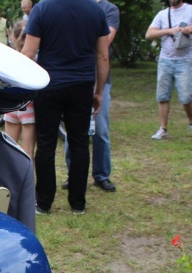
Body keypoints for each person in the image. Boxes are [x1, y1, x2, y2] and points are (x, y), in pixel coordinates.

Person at [22, 0, 110, 215]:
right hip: (82, 85)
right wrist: (99, 91)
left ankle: (44, 203)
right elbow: (102, 56)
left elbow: (29, 53)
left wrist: (22, 87)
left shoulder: (42, 8)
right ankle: (78, 204)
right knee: (80, 143)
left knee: (46, 144)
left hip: (49, 85)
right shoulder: (96, 10)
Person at [63, 0, 120, 193]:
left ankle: (101, 175)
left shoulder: (109, 9)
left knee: (100, 129)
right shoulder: (75, 5)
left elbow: (106, 40)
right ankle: (73, 174)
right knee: (73, 127)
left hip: (99, 78)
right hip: (76, 77)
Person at [145, 0, 192, 141]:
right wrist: (168, 31)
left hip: (185, 60)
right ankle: (163, 129)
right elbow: (149, 34)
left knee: (186, 97)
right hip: (165, 60)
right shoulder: (162, 14)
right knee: (162, 96)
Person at [4, 21, 36, 161]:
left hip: (11, 106)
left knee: (9, 151)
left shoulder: (9, 58)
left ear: (12, 36)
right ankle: (28, 176)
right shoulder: (34, 59)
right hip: (28, 107)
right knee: (28, 153)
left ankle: (8, 176)